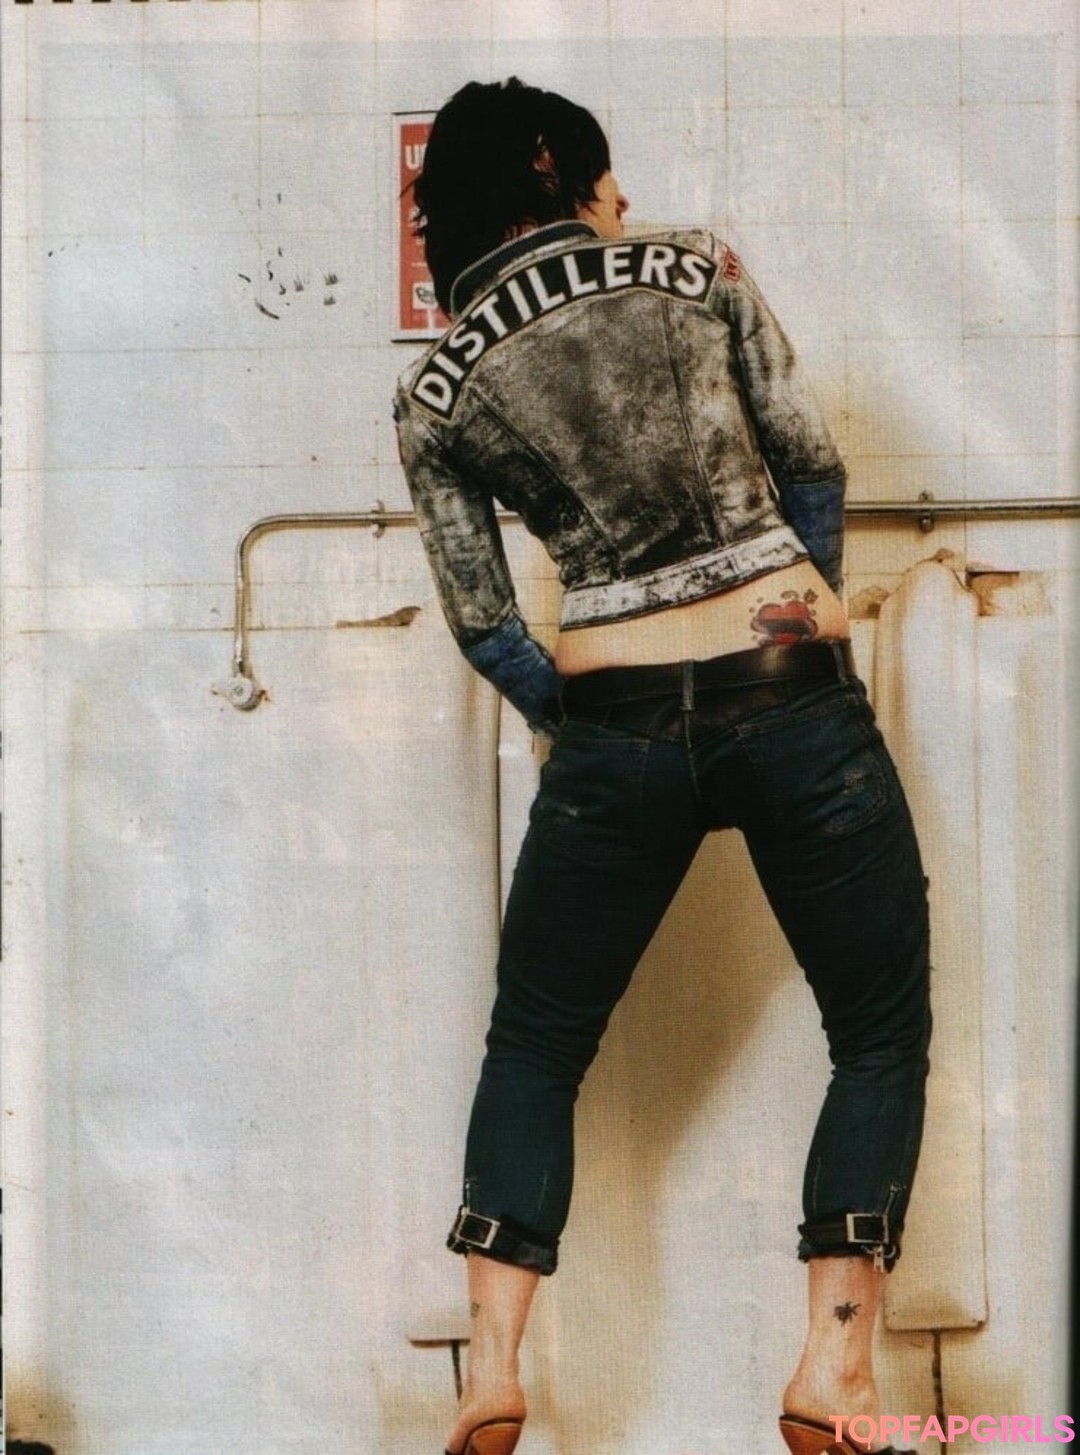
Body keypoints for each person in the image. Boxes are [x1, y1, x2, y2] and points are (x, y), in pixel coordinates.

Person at [394, 78, 931, 1455]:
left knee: (535, 1045)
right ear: (552, 166)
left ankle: (492, 1373)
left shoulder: (436, 386)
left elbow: (483, 620)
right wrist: (795, 618)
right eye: (605, 172)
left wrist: (579, 719)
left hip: (614, 717)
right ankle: (834, 1372)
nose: (622, 198)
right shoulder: (697, 266)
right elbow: (811, 463)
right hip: (788, 690)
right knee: (876, 1032)